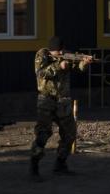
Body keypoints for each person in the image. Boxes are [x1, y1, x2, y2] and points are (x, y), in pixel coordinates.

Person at [29, 36, 93, 181]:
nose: (61, 52)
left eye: (61, 50)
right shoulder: (42, 55)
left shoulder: (66, 55)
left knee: (70, 133)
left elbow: (77, 67)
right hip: (46, 100)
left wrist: (85, 63)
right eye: (58, 51)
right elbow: (41, 73)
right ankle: (34, 167)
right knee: (43, 134)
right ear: (52, 50)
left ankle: (60, 164)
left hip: (63, 101)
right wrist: (59, 66)